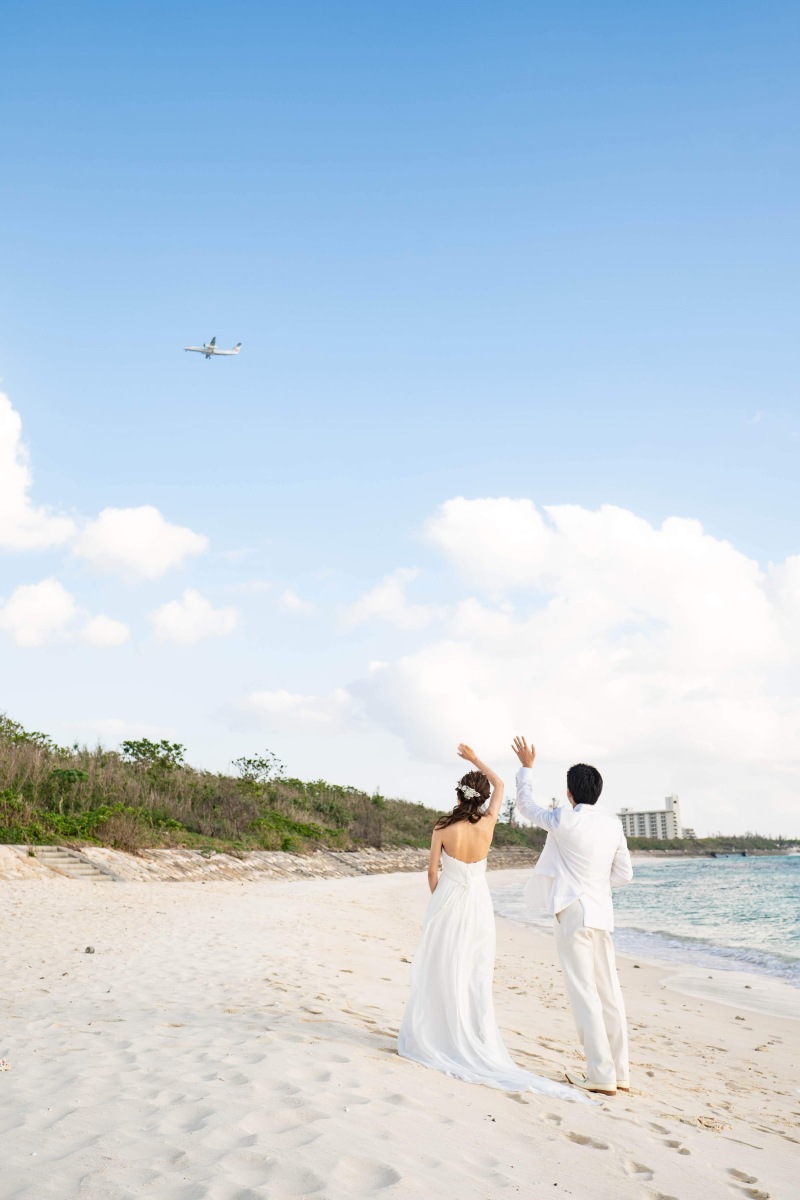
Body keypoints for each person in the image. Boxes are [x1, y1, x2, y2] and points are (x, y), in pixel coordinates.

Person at [397, 743, 588, 1103]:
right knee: (473, 969)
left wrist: (440, 900)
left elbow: (432, 872)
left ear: (459, 794)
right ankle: (470, 1033)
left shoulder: (442, 826)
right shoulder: (488, 822)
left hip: (448, 900)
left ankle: (438, 1032)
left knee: (441, 965)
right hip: (478, 903)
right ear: (482, 798)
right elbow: (501, 785)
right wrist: (475, 760)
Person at [511, 735, 633, 1097]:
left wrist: (526, 769)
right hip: (601, 913)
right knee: (609, 994)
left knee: (584, 994)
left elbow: (526, 806)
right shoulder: (613, 825)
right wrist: (596, 885)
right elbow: (624, 874)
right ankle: (620, 1072)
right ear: (597, 793)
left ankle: (600, 1074)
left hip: (574, 911)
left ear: (569, 793)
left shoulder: (564, 818)